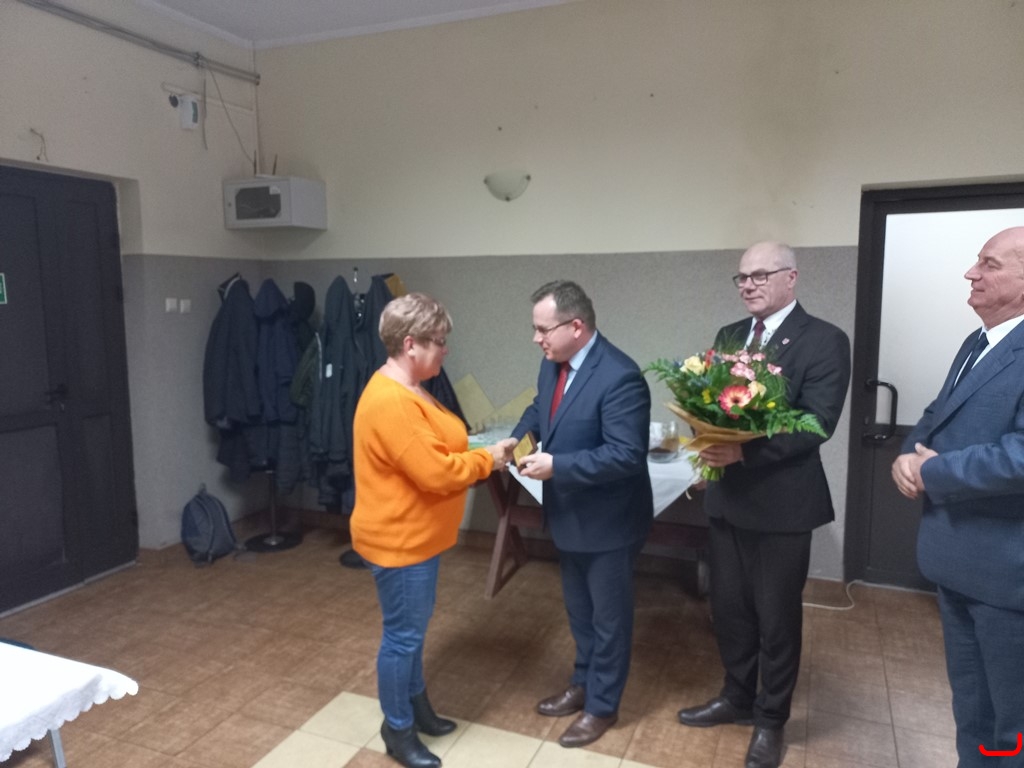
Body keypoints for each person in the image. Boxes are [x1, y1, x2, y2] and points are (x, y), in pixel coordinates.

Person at [676, 242, 850, 768]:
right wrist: (706, 443)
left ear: (791, 278)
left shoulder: (824, 340)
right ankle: (736, 697)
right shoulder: (730, 336)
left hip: (782, 507)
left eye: (760, 275)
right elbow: (713, 405)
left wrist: (742, 453)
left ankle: (771, 720)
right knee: (728, 610)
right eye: (742, 277)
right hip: (727, 501)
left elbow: (815, 423)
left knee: (775, 618)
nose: (748, 285)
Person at [350, 293, 516, 768]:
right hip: (399, 542)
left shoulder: (411, 387)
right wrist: (487, 459)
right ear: (410, 344)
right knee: (402, 637)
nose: (446, 349)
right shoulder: (391, 401)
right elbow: (437, 473)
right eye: (439, 342)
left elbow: (435, 447)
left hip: (418, 538)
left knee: (413, 631)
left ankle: (417, 706)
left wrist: (476, 451)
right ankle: (397, 728)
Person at [891, 226, 1024, 768]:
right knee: (973, 708)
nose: (971, 273)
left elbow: (1021, 456)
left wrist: (935, 472)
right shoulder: (978, 342)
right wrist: (906, 456)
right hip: (959, 564)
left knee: (1013, 725)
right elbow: (937, 414)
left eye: (989, 264)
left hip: (1008, 577)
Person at [512, 280, 653, 749]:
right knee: (580, 613)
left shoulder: (620, 376)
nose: (536, 338)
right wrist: (517, 439)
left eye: (542, 330)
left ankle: (602, 706)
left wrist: (559, 466)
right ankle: (583, 683)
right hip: (568, 516)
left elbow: (626, 454)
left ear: (576, 326)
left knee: (609, 621)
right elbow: (540, 410)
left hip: (609, 523)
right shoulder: (552, 362)